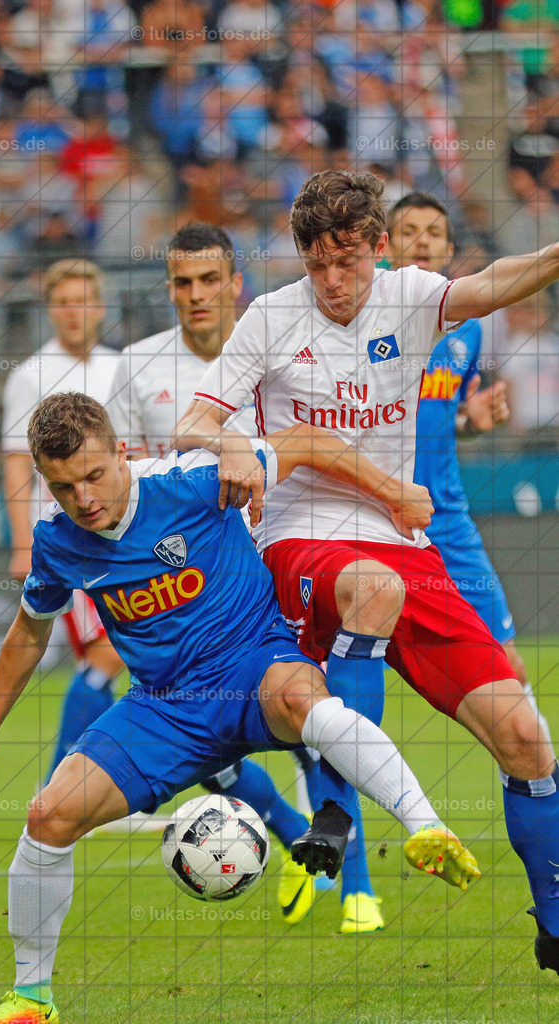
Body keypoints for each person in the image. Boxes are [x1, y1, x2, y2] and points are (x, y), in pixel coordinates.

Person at [0, 392, 480, 1024]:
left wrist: (391, 491)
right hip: (162, 709)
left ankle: (427, 826)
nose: (83, 499)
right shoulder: (58, 542)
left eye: (94, 476)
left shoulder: (192, 480)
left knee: (305, 699)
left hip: (251, 668)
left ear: (123, 452)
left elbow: (303, 441)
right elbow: (30, 629)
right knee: (49, 816)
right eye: (63, 487)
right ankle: (31, 999)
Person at [172, 168, 559, 972]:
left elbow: (494, 282)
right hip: (300, 541)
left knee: (525, 737)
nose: (331, 281)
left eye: (346, 261)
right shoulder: (271, 318)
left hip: (402, 543)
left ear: (377, 250)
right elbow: (194, 423)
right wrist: (234, 442)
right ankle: (339, 808)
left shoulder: (411, 297)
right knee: (370, 589)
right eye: (315, 263)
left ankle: (554, 929)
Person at [107, 220, 329, 926]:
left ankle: (346, 875)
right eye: (182, 282)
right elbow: (121, 487)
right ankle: (293, 831)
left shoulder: (279, 352)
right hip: (194, 587)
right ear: (168, 288)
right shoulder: (138, 368)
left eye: (210, 280)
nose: (196, 295)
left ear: (237, 284)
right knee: (200, 735)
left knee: (309, 712)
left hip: (281, 557)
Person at [2, 258, 125, 779]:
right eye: (63, 302)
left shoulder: (120, 364)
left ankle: (88, 783)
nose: (74, 313)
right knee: (106, 650)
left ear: (99, 306)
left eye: (82, 301)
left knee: (124, 650)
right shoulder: (31, 375)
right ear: (50, 310)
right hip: (66, 536)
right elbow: (15, 460)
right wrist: (21, 544)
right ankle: (62, 785)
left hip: (119, 530)